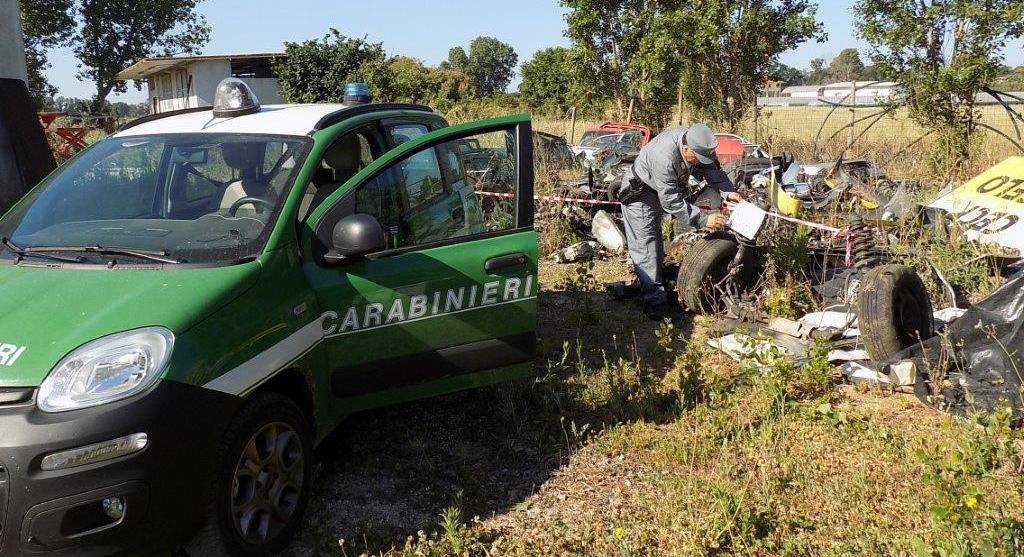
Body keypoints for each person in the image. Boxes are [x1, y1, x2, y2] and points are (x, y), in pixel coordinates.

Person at [618, 123, 742, 320]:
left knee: (656, 246)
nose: (700, 163)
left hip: (656, 191)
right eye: (697, 159)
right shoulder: (664, 156)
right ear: (685, 149)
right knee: (646, 249)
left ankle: (651, 288)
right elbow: (670, 201)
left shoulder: (697, 142)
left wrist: (729, 191)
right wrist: (703, 218)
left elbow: (713, 172)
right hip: (639, 195)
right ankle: (656, 308)